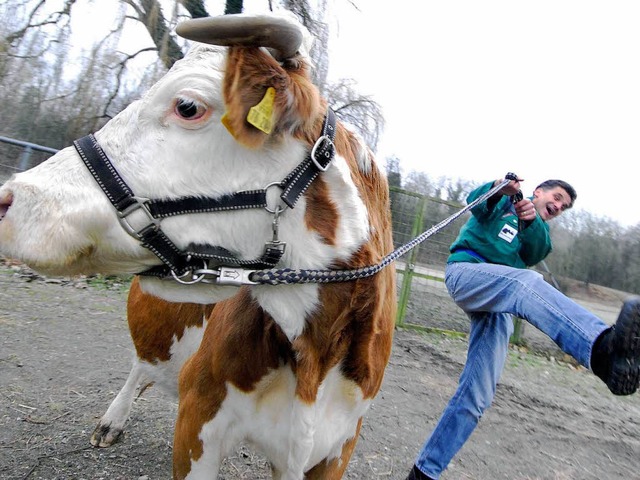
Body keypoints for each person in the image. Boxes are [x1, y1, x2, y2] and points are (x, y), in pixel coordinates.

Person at [406, 174, 640, 480]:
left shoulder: (538, 231)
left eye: (564, 206)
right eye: (556, 197)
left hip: (500, 300)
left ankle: (423, 473)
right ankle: (602, 350)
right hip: (467, 272)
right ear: (538, 191)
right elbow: (475, 201)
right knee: (527, 283)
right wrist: (498, 189)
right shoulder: (502, 202)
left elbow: (536, 251)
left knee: (477, 396)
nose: (558, 206)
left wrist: (530, 221)